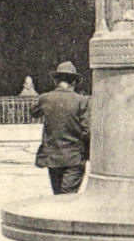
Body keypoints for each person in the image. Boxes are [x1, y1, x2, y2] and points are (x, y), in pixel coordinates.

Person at [31, 62, 91, 194]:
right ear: (74, 81)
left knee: (57, 196)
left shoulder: (45, 98)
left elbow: (33, 112)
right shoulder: (82, 101)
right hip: (74, 157)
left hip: (52, 158)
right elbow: (87, 131)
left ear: (56, 81)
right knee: (69, 197)